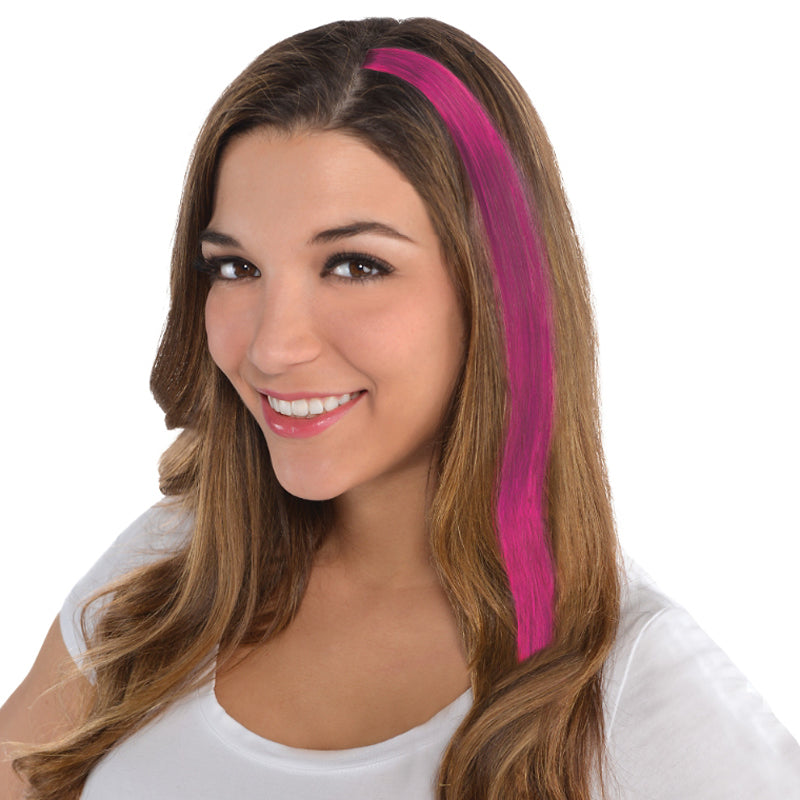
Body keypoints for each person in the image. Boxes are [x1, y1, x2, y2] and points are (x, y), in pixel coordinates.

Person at [1, 17, 798, 800]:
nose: (273, 347)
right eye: (237, 268)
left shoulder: (635, 684)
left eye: (354, 265)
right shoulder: (168, 574)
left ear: (498, 292)